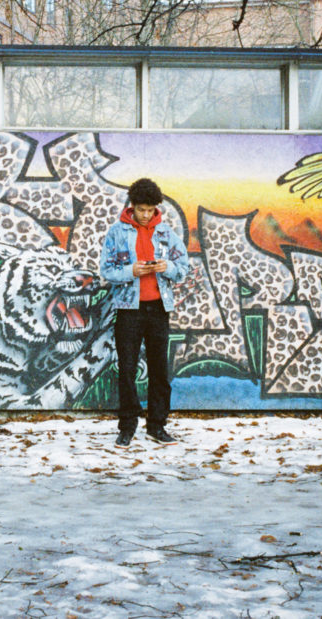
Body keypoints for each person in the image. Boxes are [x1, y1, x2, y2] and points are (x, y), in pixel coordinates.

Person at [99, 178, 190, 447]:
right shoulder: (117, 232)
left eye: (150, 210)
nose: (146, 215)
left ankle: (157, 426)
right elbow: (106, 270)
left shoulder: (165, 233)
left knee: (159, 368)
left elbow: (183, 268)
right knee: (127, 368)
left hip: (158, 309)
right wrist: (131, 271)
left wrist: (167, 267)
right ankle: (127, 427)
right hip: (129, 309)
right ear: (132, 207)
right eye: (141, 209)